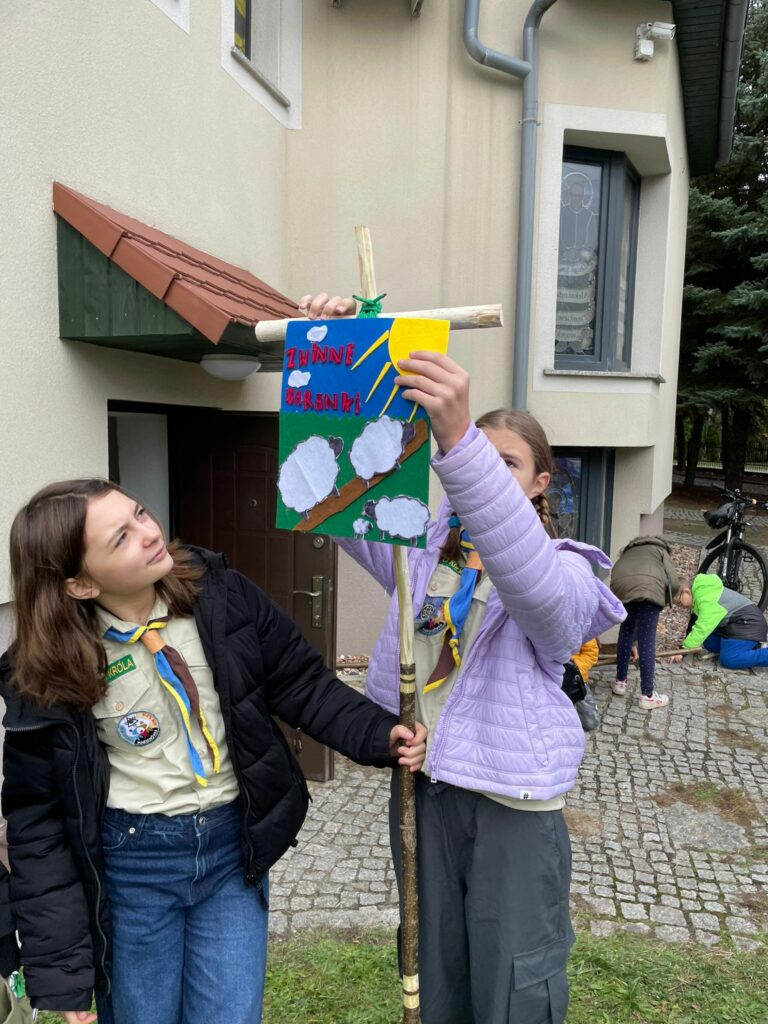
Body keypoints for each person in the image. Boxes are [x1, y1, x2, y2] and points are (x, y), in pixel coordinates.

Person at [301, 291, 626, 1024]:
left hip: (511, 804)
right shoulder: (422, 553)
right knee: (433, 966)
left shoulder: (568, 570)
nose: (488, 472)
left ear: (540, 482)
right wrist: (338, 362)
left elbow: (534, 588)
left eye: (507, 462)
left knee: (514, 980)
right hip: (425, 788)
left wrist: (457, 438)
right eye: (479, 457)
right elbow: (338, 503)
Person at [0, 479, 427, 1024]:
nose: (149, 533)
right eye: (121, 538)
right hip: (132, 868)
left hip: (230, 854)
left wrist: (377, 733)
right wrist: (62, 977)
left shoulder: (221, 596)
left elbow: (300, 682)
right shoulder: (47, 670)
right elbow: (37, 823)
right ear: (81, 584)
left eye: (140, 513)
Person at [608, 535, 680, 710]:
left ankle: (620, 682)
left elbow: (616, 574)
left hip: (624, 589)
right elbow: (673, 581)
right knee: (647, 639)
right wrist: (665, 599)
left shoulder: (629, 552)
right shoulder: (661, 551)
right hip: (650, 590)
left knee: (626, 631)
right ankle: (648, 695)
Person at [669, 574, 768, 668]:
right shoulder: (698, 593)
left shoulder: (705, 598)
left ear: (686, 592)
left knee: (729, 659)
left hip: (749, 624)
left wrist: (683, 650)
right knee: (709, 642)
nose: (679, 606)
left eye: (679, 603)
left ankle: (762, 652)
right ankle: (750, 647)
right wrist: (686, 645)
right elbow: (694, 623)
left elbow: (703, 627)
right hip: (733, 626)